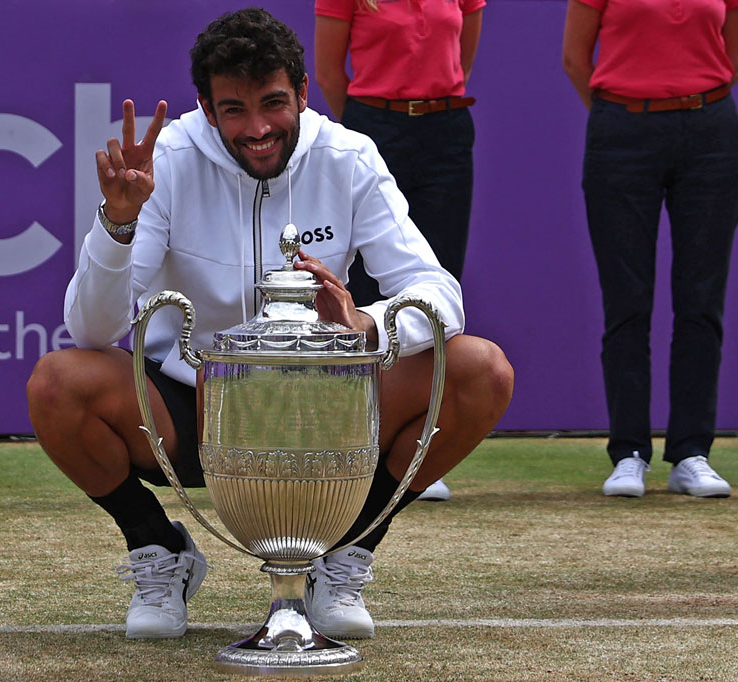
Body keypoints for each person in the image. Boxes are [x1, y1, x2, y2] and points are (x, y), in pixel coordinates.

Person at [26, 8, 512, 641]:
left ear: (304, 94)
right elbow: (91, 330)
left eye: (273, 103)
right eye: (233, 110)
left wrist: (366, 324)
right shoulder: (168, 160)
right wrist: (117, 226)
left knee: (481, 370)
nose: (257, 129)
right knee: (59, 382)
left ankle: (342, 555)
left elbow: (439, 294)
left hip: (328, 411)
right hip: (200, 407)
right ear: (204, 108)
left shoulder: (348, 155)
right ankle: (158, 550)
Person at [562, 0, 738, 498]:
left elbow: (735, 56)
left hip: (711, 134)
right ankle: (628, 453)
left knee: (701, 301)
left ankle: (691, 453)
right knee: (627, 301)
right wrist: (623, 111)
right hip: (622, 133)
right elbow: (576, 59)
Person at [314, 0, 486, 502]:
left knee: (436, 282)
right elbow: (328, 72)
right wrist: (374, 129)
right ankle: (358, 441)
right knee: (365, 291)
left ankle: (419, 440)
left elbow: (462, 58)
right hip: (375, 125)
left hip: (445, 128)